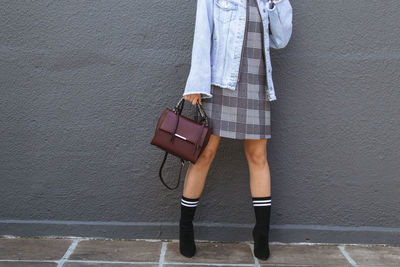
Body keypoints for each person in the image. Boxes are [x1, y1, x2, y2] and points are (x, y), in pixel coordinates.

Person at [179, 0, 292, 260]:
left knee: (258, 157)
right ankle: (186, 228)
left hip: (256, 84)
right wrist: (196, 82)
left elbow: (282, 39)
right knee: (203, 155)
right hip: (219, 82)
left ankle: (261, 235)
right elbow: (202, 31)